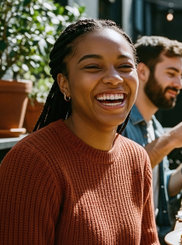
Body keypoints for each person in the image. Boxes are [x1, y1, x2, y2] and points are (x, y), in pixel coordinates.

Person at [0, 19, 158, 244]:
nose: (114, 78)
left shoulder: (136, 158)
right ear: (64, 84)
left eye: (124, 67)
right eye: (93, 67)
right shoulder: (31, 163)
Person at [121, 36, 182, 242]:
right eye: (171, 74)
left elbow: (162, 188)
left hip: (161, 233)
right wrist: (171, 138)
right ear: (143, 72)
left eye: (181, 76)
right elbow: (123, 179)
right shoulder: (119, 123)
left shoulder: (153, 125)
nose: (179, 84)